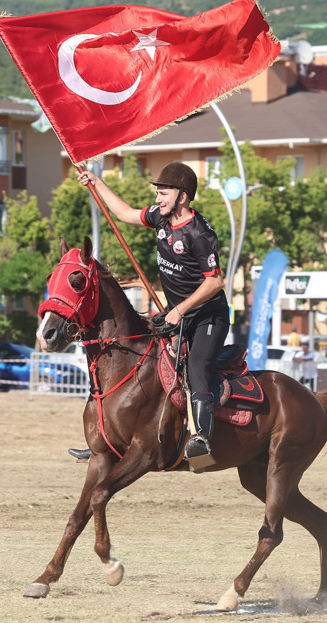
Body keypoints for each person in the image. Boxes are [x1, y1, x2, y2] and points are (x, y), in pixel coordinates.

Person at [76, 162, 229, 466]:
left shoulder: (199, 233)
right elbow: (124, 213)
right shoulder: (160, 217)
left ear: (182, 196)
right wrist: (96, 181)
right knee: (138, 360)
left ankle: (202, 441)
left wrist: (180, 310)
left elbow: (215, 281)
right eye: (157, 194)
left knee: (196, 367)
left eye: (163, 193)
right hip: (176, 316)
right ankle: (110, 441)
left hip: (208, 318)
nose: (158, 199)